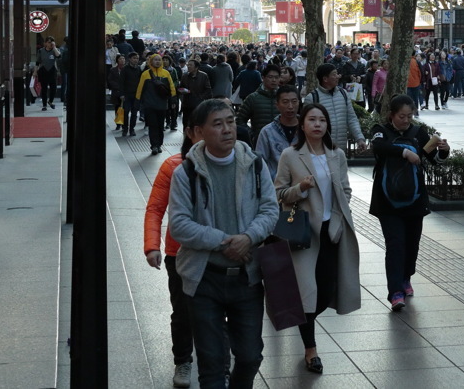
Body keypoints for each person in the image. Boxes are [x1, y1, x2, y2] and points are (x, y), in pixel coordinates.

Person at [167, 99, 279, 389]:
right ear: (199, 132)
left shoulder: (254, 165)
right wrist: (224, 242)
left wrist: (248, 238)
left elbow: (270, 210)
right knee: (212, 365)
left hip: (247, 278)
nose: (228, 129)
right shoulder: (186, 173)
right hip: (204, 280)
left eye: (230, 121)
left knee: (250, 357)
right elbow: (179, 225)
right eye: (218, 124)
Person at [275, 103, 361, 373]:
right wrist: (300, 188)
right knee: (306, 292)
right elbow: (279, 194)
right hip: (303, 233)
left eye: (322, 120)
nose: (317, 124)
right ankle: (310, 349)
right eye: (311, 119)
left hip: (332, 231)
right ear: (302, 125)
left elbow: (345, 191)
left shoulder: (336, 154)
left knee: (325, 291)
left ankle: (303, 320)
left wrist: (337, 218)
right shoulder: (290, 155)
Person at [368, 94, 450, 311]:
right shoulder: (380, 130)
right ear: (391, 115)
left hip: (414, 199)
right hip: (387, 200)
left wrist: (444, 151)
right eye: (401, 116)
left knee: (412, 244)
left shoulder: (418, 132)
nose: (406, 120)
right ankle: (395, 291)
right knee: (395, 244)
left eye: (409, 116)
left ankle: (406, 277)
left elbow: (432, 160)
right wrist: (405, 152)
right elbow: (378, 147)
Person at [144, 130, 200, 388]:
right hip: (179, 253)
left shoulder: (233, 163)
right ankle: (183, 360)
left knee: (220, 309)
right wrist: (152, 245)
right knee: (183, 310)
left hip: (218, 252)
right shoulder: (173, 165)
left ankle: (220, 361)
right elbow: (156, 208)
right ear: (192, 132)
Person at [307, 63, 368, 154]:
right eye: (334, 74)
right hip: (319, 151)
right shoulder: (312, 98)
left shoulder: (343, 94)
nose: (338, 77)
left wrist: (359, 139)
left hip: (340, 150)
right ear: (325, 79)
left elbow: (351, 118)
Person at [255, 85, 301, 179]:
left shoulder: (306, 129)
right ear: (277, 105)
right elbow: (260, 162)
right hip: (275, 186)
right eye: (285, 102)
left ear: (299, 103)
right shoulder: (267, 132)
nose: (290, 106)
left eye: (294, 101)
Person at [136, 53, 176, 155]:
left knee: (160, 126)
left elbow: (172, 87)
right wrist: (138, 101)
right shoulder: (145, 74)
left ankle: (159, 145)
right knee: (153, 125)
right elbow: (140, 88)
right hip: (149, 105)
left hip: (162, 105)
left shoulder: (166, 73)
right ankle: (154, 145)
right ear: (151, 61)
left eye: (159, 60)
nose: (158, 61)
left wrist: (173, 100)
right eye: (155, 60)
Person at [236, 63, 281, 146]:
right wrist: (252, 135)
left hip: (281, 143)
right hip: (260, 143)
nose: (274, 80)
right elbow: (240, 120)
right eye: (270, 77)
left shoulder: (283, 98)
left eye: (276, 77)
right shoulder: (253, 98)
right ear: (263, 78)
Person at [179, 59, 212, 128]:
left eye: (191, 65)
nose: (188, 66)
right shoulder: (184, 76)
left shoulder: (203, 76)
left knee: (197, 123)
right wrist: (182, 90)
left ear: (196, 67)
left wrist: (200, 98)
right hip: (186, 103)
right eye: (188, 65)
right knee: (186, 123)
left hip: (198, 104)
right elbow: (180, 87)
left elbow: (208, 90)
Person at [120, 52, 143, 137]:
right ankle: (125, 129)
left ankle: (132, 129)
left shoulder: (139, 69)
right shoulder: (125, 69)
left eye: (137, 58)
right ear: (129, 59)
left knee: (134, 113)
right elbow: (121, 82)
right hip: (126, 94)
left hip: (136, 95)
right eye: (134, 58)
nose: (136, 60)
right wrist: (121, 94)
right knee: (125, 112)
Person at [35, 36, 61, 111]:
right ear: (45, 43)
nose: (50, 44)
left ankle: (50, 101)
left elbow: (59, 56)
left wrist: (54, 47)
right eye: (49, 42)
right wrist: (35, 71)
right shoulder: (41, 51)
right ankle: (44, 105)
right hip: (43, 71)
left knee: (53, 88)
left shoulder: (55, 50)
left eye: (52, 42)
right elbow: (37, 62)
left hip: (52, 71)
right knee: (44, 89)